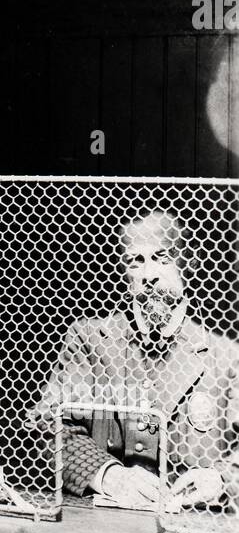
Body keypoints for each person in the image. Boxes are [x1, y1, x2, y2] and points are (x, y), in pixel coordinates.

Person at [31, 211, 239, 509]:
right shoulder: (88, 340)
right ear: (123, 272)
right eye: (136, 261)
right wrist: (107, 475)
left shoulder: (227, 358)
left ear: (188, 264)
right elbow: (50, 423)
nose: (149, 274)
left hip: (187, 522)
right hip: (101, 523)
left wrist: (218, 479)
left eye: (162, 257)